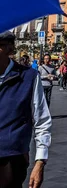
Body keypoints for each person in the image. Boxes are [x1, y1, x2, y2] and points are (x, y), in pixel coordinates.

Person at [0, 31, 51, 188]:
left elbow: (42, 120)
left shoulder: (28, 77)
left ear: (9, 49)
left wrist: (40, 161)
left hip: (11, 158)